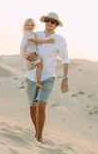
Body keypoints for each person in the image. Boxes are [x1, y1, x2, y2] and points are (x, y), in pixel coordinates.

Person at [25, 12, 70, 144]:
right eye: (47, 20)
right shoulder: (36, 35)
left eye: (52, 21)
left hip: (48, 76)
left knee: (41, 105)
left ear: (56, 25)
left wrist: (65, 78)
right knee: (32, 107)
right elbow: (25, 48)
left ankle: (40, 136)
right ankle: (36, 131)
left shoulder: (60, 40)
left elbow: (66, 59)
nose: (49, 23)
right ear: (45, 22)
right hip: (31, 75)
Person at [20, 18, 55, 89]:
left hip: (28, 51)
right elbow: (36, 40)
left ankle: (35, 76)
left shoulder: (31, 33)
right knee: (40, 64)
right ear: (25, 27)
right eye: (28, 25)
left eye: (31, 25)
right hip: (27, 51)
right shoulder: (28, 34)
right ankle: (38, 82)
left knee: (38, 63)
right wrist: (47, 41)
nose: (29, 26)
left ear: (34, 26)